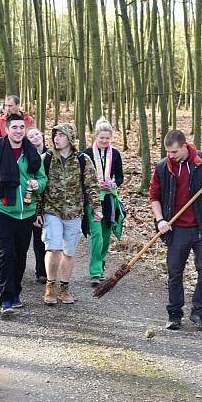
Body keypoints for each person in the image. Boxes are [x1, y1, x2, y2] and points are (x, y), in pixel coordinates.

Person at [149, 128, 202, 332]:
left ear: (184, 146)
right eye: (167, 152)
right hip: (176, 228)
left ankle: (199, 311)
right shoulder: (163, 167)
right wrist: (160, 219)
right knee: (175, 272)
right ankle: (174, 314)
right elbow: (154, 196)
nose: (170, 156)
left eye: (173, 152)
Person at [0, 112, 47, 315]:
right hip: (4, 210)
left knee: (20, 255)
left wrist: (37, 184)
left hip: (27, 213)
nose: (18, 131)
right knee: (6, 254)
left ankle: (16, 292)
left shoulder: (32, 154)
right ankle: (6, 298)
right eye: (14, 127)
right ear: (6, 130)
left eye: (21, 127)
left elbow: (43, 180)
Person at [40, 123, 102, 305]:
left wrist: (96, 208)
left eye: (60, 135)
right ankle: (50, 285)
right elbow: (40, 186)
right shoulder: (47, 158)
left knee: (69, 252)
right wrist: (37, 211)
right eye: (55, 135)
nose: (56, 138)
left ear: (70, 138)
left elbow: (91, 186)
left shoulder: (83, 160)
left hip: (75, 212)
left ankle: (64, 287)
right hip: (52, 210)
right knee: (54, 248)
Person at [83, 118, 125, 286]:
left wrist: (112, 183)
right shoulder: (86, 153)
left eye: (107, 138)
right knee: (97, 235)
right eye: (102, 138)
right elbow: (81, 178)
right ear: (96, 136)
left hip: (109, 198)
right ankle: (95, 271)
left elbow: (120, 177)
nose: (105, 141)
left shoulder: (115, 154)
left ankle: (101, 267)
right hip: (93, 200)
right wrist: (94, 183)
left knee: (106, 236)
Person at [27, 127, 48, 283]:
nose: (35, 137)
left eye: (36, 134)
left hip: (51, 201)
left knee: (45, 239)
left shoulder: (51, 154)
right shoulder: (27, 156)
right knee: (35, 237)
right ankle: (40, 271)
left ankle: (45, 270)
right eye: (31, 136)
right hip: (33, 200)